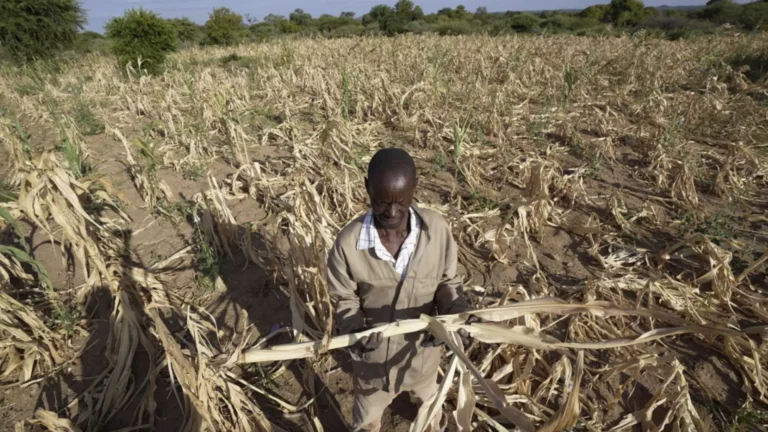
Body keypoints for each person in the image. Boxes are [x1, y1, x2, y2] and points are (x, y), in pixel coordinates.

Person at [327, 148, 475, 432]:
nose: (392, 213)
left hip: (422, 360)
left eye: (402, 202)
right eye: (382, 203)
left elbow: (447, 283)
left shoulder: (438, 231)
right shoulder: (348, 245)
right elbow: (344, 298)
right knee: (367, 421)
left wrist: (455, 315)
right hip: (372, 369)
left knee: (429, 412)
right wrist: (354, 328)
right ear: (367, 187)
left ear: (415, 188)